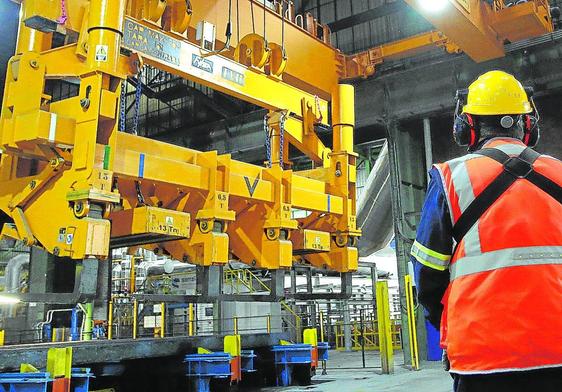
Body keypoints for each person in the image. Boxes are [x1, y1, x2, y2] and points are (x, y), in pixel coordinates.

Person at [410, 70, 562, 392]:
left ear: (468, 126)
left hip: (481, 356)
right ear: (528, 124)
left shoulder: (451, 178)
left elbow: (426, 274)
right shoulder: (560, 175)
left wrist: (452, 325)